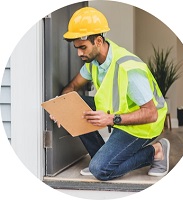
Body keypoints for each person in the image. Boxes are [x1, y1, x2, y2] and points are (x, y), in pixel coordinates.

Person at [50, 7, 170, 181]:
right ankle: (102, 156)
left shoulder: (128, 69)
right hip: (118, 116)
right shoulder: (94, 63)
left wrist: (112, 119)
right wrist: (63, 107)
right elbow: (73, 85)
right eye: (77, 48)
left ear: (98, 41)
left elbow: (151, 113)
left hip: (143, 126)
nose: (79, 53)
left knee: (101, 170)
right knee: (75, 105)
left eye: (83, 47)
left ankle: (157, 151)